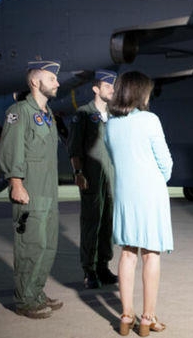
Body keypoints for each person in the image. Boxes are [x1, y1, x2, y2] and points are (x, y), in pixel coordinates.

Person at [104, 71, 173, 336]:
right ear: (139, 92)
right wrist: (161, 177)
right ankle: (147, 318)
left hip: (124, 194)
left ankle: (125, 316)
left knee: (128, 253)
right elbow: (164, 161)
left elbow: (114, 158)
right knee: (151, 254)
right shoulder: (149, 120)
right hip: (150, 193)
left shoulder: (111, 124)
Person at [0, 60, 63, 319]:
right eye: (51, 79)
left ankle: (36, 291)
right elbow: (11, 148)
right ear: (35, 82)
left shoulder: (48, 115)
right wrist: (16, 183)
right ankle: (25, 300)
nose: (57, 83)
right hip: (30, 189)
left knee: (47, 245)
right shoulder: (19, 111)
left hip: (48, 190)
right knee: (30, 245)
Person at [67, 69, 118, 289]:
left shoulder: (115, 116)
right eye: (108, 87)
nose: (112, 91)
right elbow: (74, 148)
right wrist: (78, 173)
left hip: (112, 179)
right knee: (91, 222)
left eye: (113, 87)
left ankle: (103, 266)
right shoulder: (84, 114)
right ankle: (89, 270)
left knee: (108, 221)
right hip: (92, 178)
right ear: (96, 89)